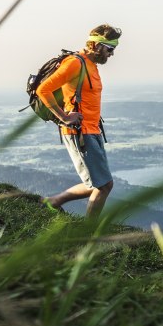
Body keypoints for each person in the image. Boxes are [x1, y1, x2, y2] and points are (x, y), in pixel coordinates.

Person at [36, 24, 121, 217]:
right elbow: (43, 89)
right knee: (104, 185)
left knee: (100, 183)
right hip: (79, 132)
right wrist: (64, 117)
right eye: (110, 49)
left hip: (92, 129)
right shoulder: (75, 63)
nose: (112, 54)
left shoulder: (91, 65)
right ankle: (87, 233)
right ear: (97, 46)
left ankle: (55, 201)